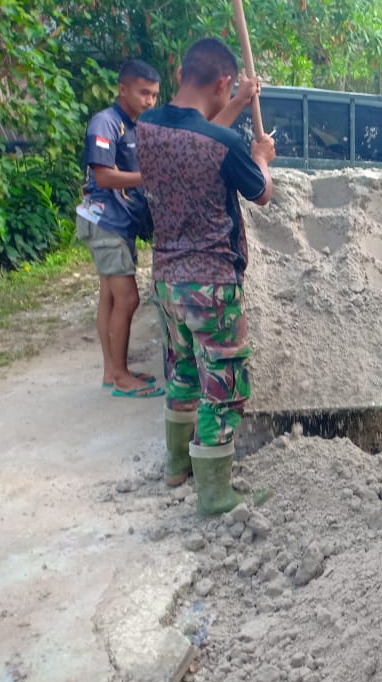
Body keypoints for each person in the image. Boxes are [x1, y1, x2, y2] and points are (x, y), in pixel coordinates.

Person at [135, 38, 274, 514]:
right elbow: (262, 194)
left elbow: (197, 136)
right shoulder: (226, 144)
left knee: (184, 372)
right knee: (226, 386)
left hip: (167, 277)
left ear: (177, 73)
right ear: (221, 82)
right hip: (212, 282)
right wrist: (260, 156)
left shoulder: (146, 128)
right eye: (228, 89)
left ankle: (178, 466)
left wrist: (236, 104)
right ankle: (215, 496)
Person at [78, 59, 161, 398]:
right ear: (122, 88)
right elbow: (103, 175)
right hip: (106, 220)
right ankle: (121, 376)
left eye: (155, 95)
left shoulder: (134, 125)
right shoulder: (106, 122)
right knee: (127, 298)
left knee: (110, 297)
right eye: (144, 93)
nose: (150, 101)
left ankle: (112, 371)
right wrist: (150, 177)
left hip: (118, 221)